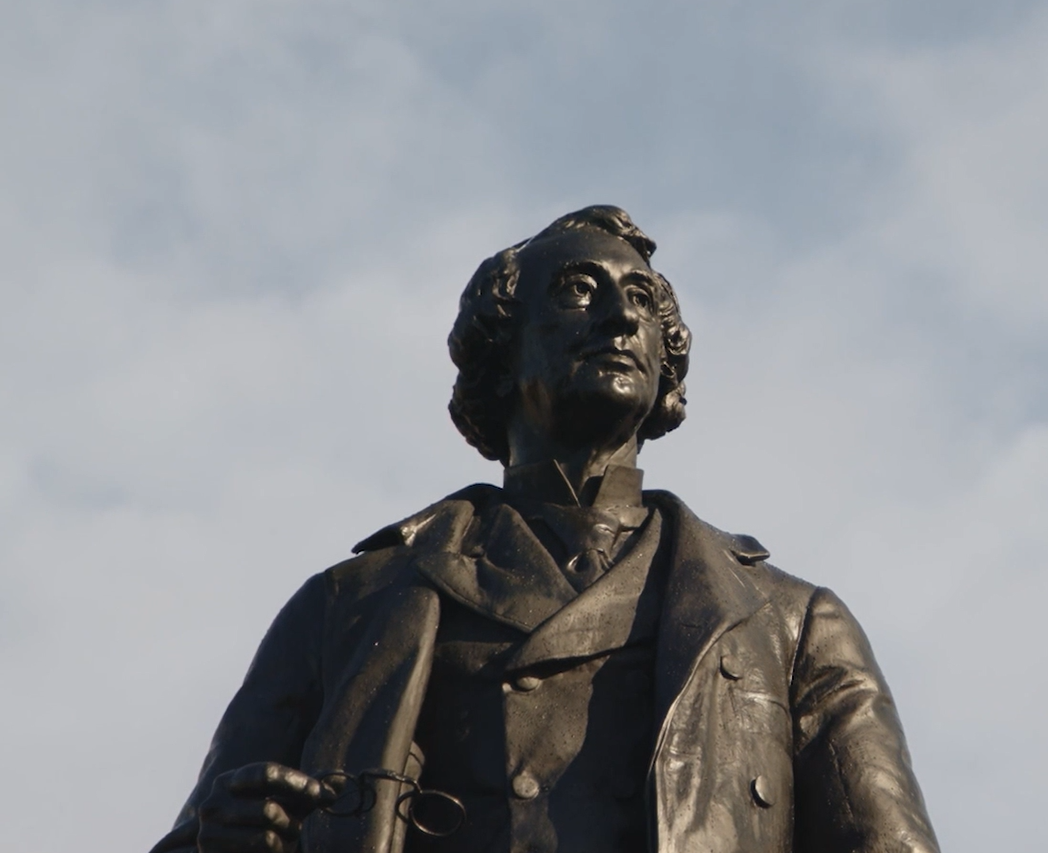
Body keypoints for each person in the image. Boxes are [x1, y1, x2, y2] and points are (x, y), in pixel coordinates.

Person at [152, 206, 938, 853]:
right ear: (502, 344)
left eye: (642, 298)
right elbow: (197, 838)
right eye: (577, 289)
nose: (622, 315)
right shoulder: (346, 606)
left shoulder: (792, 624)